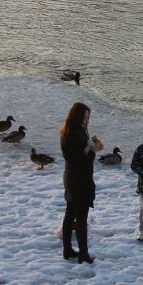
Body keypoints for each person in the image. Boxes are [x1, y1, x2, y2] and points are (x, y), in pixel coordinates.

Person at [60, 102, 103, 263]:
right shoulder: (73, 134)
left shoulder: (69, 131)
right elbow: (82, 161)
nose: (86, 121)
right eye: (84, 117)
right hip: (79, 179)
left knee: (70, 213)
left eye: (88, 117)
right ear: (76, 116)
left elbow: (77, 156)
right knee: (81, 216)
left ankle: (68, 250)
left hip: (71, 177)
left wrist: (90, 146)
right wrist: (94, 150)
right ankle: (83, 254)